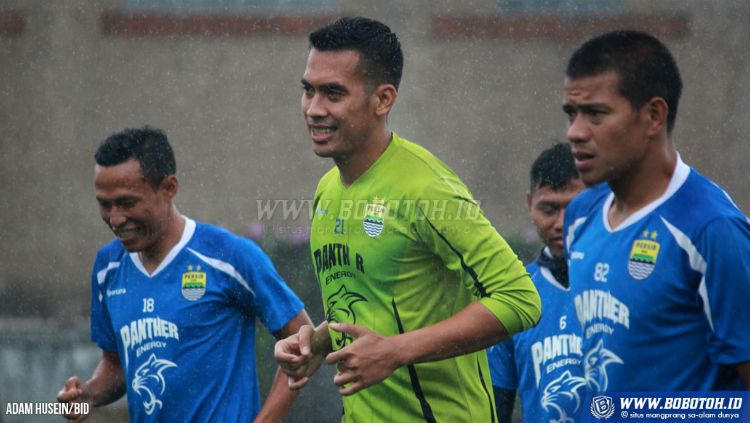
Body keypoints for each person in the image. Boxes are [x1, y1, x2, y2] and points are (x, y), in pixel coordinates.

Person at [274, 16, 541, 422]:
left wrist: (396, 351)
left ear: (383, 99)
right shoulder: (328, 190)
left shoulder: (426, 188)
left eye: (333, 93)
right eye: (308, 91)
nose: (314, 109)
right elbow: (373, 299)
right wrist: (319, 343)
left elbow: (519, 299)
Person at [57, 127, 312, 422]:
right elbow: (117, 364)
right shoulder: (108, 267)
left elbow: (303, 340)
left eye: (127, 203)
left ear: (169, 187)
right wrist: (89, 393)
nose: (115, 218)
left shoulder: (229, 257)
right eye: (105, 204)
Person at [562, 30, 750, 393]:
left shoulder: (712, 229)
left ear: (653, 115)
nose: (575, 132)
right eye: (571, 113)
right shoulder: (581, 216)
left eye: (595, 114)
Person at [488, 143, 585, 422]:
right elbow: (497, 407)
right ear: (530, 204)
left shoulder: (629, 284)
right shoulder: (514, 293)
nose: (561, 223)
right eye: (549, 209)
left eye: (575, 207)